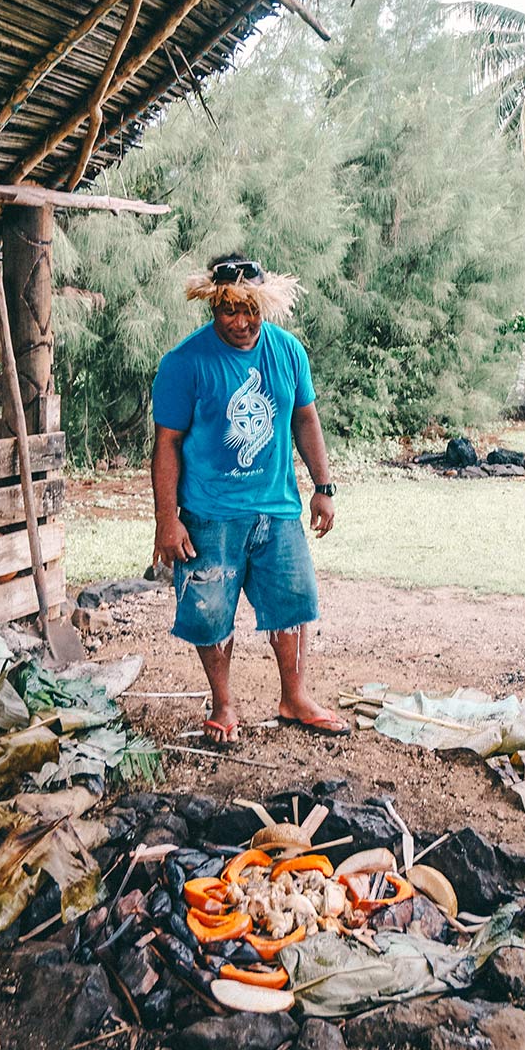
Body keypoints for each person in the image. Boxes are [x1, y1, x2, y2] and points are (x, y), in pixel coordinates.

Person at [150, 252, 349, 746]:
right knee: (209, 611)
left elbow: (305, 418)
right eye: (229, 310)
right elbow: (166, 444)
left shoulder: (289, 353)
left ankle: (294, 697)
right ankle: (223, 705)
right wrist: (165, 520)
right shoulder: (184, 363)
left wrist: (322, 487)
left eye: (251, 310)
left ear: (265, 306)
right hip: (210, 512)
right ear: (213, 307)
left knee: (294, 602)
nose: (242, 322)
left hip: (277, 507)